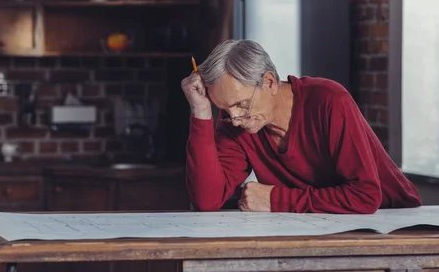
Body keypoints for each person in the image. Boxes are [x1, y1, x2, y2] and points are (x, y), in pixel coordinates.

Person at [181, 39, 422, 213]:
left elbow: (366, 196)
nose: (234, 118)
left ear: (269, 82)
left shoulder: (329, 101)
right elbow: (207, 199)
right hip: (327, 225)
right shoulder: (237, 122)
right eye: (225, 109)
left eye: (242, 104)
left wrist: (276, 199)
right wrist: (201, 111)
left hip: (393, 222)